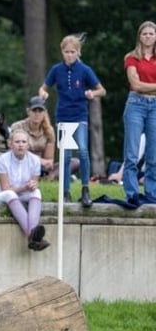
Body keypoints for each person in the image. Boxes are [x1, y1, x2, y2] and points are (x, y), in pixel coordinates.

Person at [39, 33, 106, 207]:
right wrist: (43, 93)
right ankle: (65, 191)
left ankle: (85, 190)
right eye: (66, 52)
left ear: (78, 52)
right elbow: (43, 87)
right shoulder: (56, 70)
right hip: (63, 117)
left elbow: (101, 90)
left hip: (80, 116)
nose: (69, 55)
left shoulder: (85, 70)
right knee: (66, 155)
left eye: (72, 52)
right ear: (62, 52)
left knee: (83, 150)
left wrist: (92, 93)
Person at [0, 128, 49, 251]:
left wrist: (33, 185)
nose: (20, 145)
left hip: (23, 194)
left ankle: (33, 237)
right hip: (2, 195)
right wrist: (24, 187)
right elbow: (5, 189)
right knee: (10, 194)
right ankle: (33, 236)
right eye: (17, 142)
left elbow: (34, 183)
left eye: (23, 142)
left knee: (36, 191)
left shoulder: (34, 160)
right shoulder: (3, 160)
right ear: (10, 144)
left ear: (28, 145)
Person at [121, 20, 156, 206]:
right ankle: (132, 193)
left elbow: (142, 85)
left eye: (151, 33)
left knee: (154, 155)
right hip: (136, 104)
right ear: (139, 37)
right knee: (132, 153)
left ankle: (152, 193)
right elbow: (135, 85)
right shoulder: (132, 57)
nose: (148, 37)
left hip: (155, 106)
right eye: (145, 34)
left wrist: (147, 87)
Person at [10, 96, 56, 178]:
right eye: (34, 110)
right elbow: (16, 152)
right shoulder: (17, 127)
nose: (37, 114)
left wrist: (45, 163)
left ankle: (48, 176)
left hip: (41, 167)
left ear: (45, 113)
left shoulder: (49, 130)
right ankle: (51, 177)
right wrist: (39, 160)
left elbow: (49, 160)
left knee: (74, 162)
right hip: (22, 163)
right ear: (28, 111)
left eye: (40, 111)